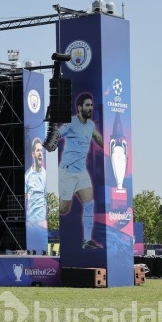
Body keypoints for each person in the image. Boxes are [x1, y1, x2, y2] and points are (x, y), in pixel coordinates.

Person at [55, 93, 103, 249]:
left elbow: (96, 136)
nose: (90, 108)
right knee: (63, 209)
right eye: (87, 105)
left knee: (89, 203)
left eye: (91, 105)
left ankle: (87, 241)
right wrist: (51, 141)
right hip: (67, 173)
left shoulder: (90, 126)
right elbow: (58, 134)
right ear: (79, 108)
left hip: (81, 172)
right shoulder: (71, 123)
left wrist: (106, 146)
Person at [24, 138, 47, 228]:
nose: (40, 153)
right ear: (33, 154)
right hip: (30, 222)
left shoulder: (45, 175)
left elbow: (46, 199)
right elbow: (25, 200)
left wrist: (45, 221)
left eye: (41, 150)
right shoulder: (27, 176)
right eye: (38, 150)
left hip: (42, 222)